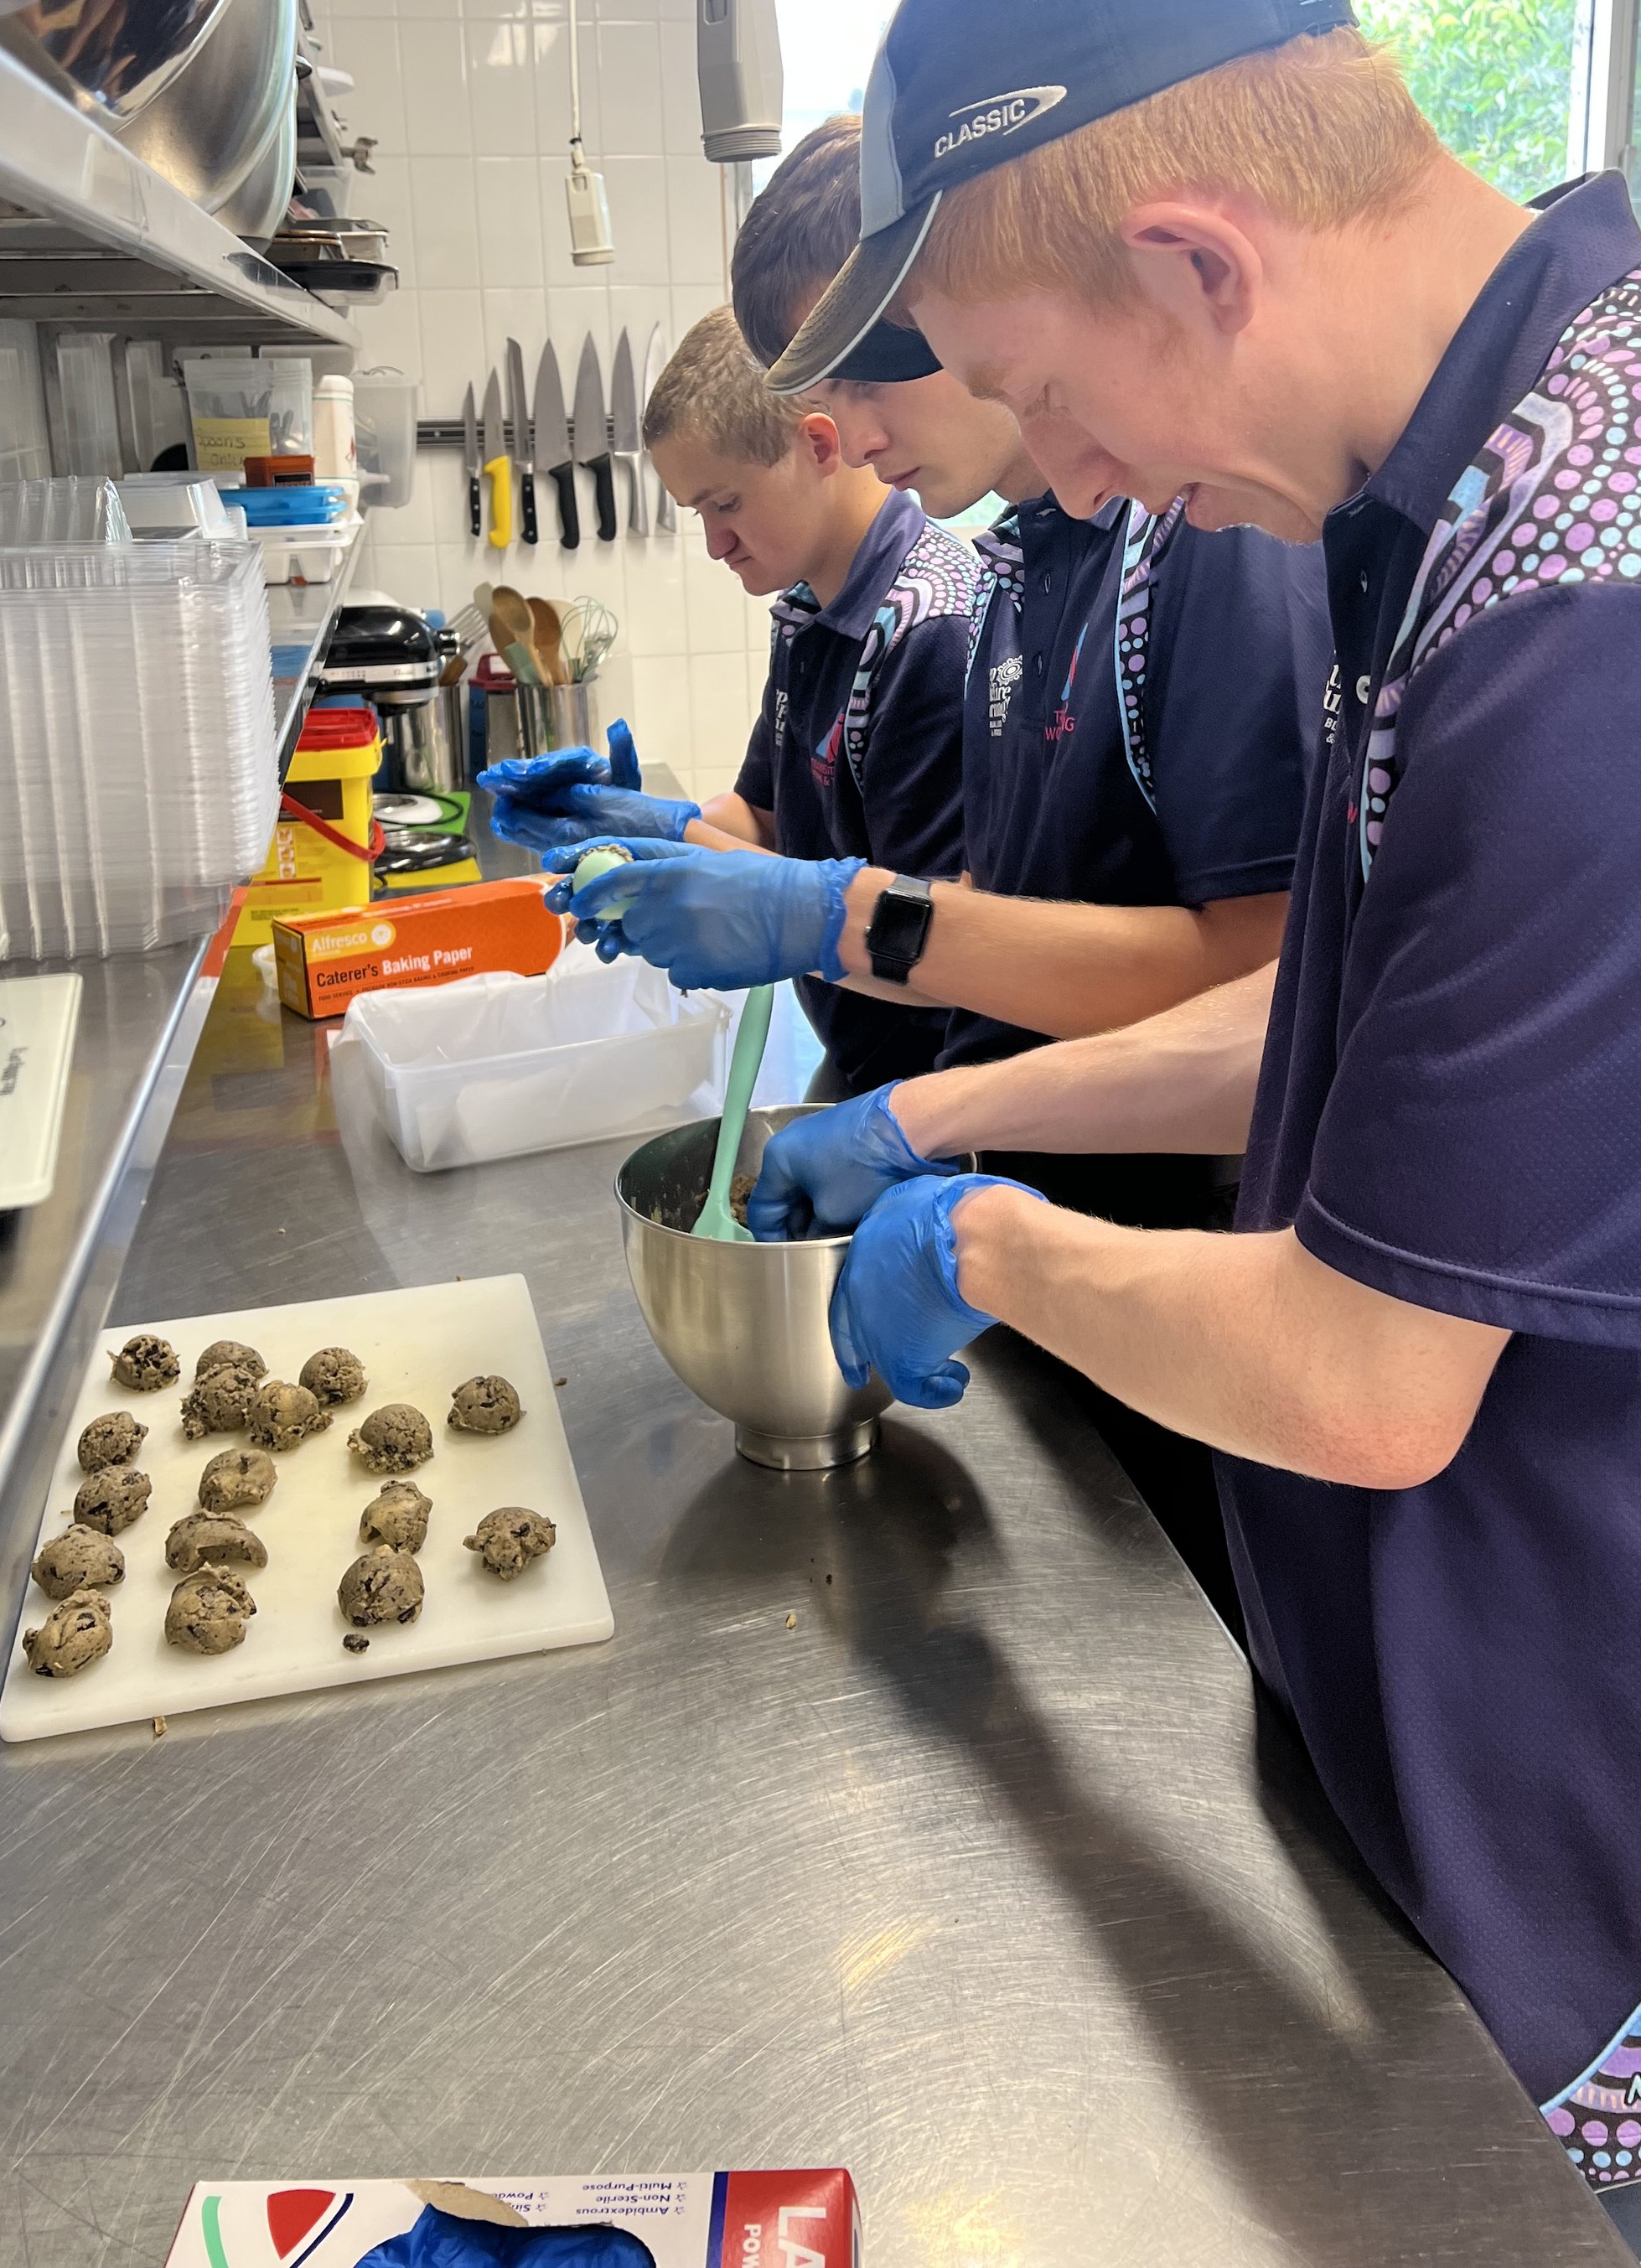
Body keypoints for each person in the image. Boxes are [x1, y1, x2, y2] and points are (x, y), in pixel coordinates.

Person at [738, 0, 1641, 2266]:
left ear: (1192, 260)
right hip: (1448, 1680)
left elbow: (1377, 1376)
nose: (1054, 478)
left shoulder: (1618, 574)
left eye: (1048, 397)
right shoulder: (1469, 475)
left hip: (1606, 1767)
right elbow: (1373, 1024)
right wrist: (953, 1104)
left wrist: (983, 1246)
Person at [556, 116, 1325, 1612]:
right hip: (1014, 1230)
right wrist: (934, 1111)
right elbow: (1006, 922)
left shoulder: (1205, 544)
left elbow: (1262, 988)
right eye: (811, 381)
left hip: (1163, 1264)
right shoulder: (1020, 563)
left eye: (869, 363)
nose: (838, 424)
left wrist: (846, 924)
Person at [483, 304, 976, 1100]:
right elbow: (766, 817)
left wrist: (720, 880)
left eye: (726, 504)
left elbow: (937, 952)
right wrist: (648, 835)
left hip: (936, 1086)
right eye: (698, 513)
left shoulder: (928, 631)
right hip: (856, 1058)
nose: (715, 544)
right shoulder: (806, 610)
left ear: (817, 445)